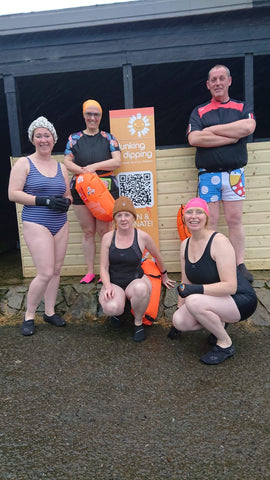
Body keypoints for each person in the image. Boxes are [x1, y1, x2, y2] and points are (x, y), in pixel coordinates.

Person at [187, 64, 256, 283]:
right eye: (213, 80)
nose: (217, 83)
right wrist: (230, 136)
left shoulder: (241, 106)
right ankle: (212, 265)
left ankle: (238, 264)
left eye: (221, 78)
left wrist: (211, 131)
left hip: (235, 174)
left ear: (229, 81)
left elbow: (248, 127)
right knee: (211, 222)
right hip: (208, 175)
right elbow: (194, 139)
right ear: (208, 85)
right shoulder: (199, 111)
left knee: (234, 219)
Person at [169, 197, 257, 365]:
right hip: (218, 300)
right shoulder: (185, 244)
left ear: (206, 217)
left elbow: (230, 287)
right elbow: (185, 282)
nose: (193, 216)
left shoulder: (219, 242)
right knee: (179, 320)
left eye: (199, 212)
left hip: (241, 300)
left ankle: (225, 343)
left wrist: (195, 291)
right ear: (184, 217)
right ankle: (219, 323)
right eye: (189, 212)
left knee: (194, 301)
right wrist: (179, 310)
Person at [8, 116, 72, 336]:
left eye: (47, 135)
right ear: (32, 139)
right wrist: (44, 200)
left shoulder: (61, 166)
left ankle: (50, 312)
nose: (43, 140)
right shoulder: (24, 163)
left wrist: (67, 202)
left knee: (55, 270)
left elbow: (67, 194)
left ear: (53, 139)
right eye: (39, 136)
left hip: (60, 223)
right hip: (36, 221)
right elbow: (13, 193)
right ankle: (29, 315)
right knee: (44, 272)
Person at [99, 196, 175, 342]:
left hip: (135, 280)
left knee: (141, 289)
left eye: (127, 215)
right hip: (114, 282)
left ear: (133, 217)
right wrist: (107, 286)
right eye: (119, 215)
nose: (123, 219)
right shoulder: (108, 238)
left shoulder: (142, 237)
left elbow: (157, 257)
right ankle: (118, 312)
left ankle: (138, 323)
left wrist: (164, 275)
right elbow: (103, 267)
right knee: (111, 307)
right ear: (115, 218)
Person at [64, 99, 121, 284]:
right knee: (88, 231)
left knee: (105, 231)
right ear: (84, 115)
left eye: (96, 114)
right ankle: (90, 271)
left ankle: (106, 271)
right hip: (81, 189)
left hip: (106, 188)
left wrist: (92, 167)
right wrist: (83, 172)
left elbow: (116, 161)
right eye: (89, 113)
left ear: (100, 116)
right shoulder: (74, 138)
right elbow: (67, 161)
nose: (92, 118)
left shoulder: (109, 137)